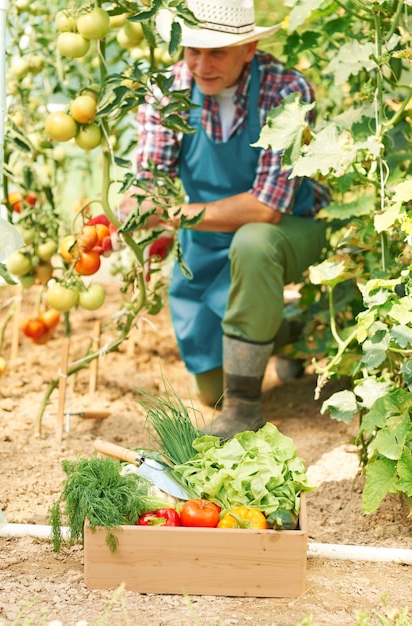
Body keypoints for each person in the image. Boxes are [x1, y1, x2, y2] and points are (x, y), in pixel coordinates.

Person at [126, 0, 330, 439]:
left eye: (217, 52)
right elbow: (152, 179)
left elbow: (265, 207)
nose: (202, 64)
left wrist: (166, 214)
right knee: (208, 391)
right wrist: (131, 208)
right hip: (208, 237)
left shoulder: (286, 89)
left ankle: (244, 410)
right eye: (193, 50)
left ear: (249, 46)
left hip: (287, 228)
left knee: (254, 242)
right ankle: (290, 329)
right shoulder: (168, 91)